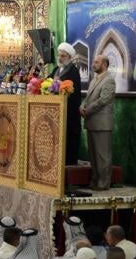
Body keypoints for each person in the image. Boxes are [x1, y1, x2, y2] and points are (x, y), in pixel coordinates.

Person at [80, 54, 115, 189]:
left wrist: (87, 110)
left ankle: (104, 183)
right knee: (93, 157)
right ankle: (95, 181)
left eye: (96, 62)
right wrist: (82, 106)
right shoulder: (94, 80)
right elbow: (88, 98)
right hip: (92, 122)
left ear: (104, 64)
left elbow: (103, 100)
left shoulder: (109, 80)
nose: (93, 64)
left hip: (102, 124)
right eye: (94, 62)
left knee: (102, 156)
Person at [49, 42, 82, 165]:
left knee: (68, 145)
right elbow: (46, 83)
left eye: (63, 56)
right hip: (55, 114)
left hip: (69, 115)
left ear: (69, 57)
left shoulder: (73, 72)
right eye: (59, 55)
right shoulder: (56, 70)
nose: (60, 58)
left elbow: (74, 94)